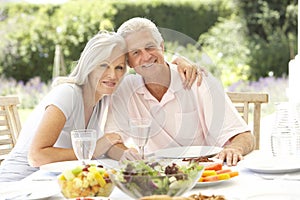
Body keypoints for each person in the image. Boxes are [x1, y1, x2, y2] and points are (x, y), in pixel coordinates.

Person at [0, 31, 201, 182]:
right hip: (20, 185)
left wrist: (129, 158)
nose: (112, 75)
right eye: (103, 65)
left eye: (119, 67)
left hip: (55, 183)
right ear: (89, 65)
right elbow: (37, 156)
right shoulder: (68, 94)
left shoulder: (103, 98)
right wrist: (95, 148)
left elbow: (150, 65)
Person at [104, 17, 255, 166]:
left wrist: (234, 148)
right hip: (158, 177)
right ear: (128, 62)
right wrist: (127, 154)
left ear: (162, 47)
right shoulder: (124, 90)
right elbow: (111, 141)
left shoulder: (198, 79)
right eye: (135, 52)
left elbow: (245, 136)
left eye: (150, 47)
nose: (146, 56)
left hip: (203, 171)